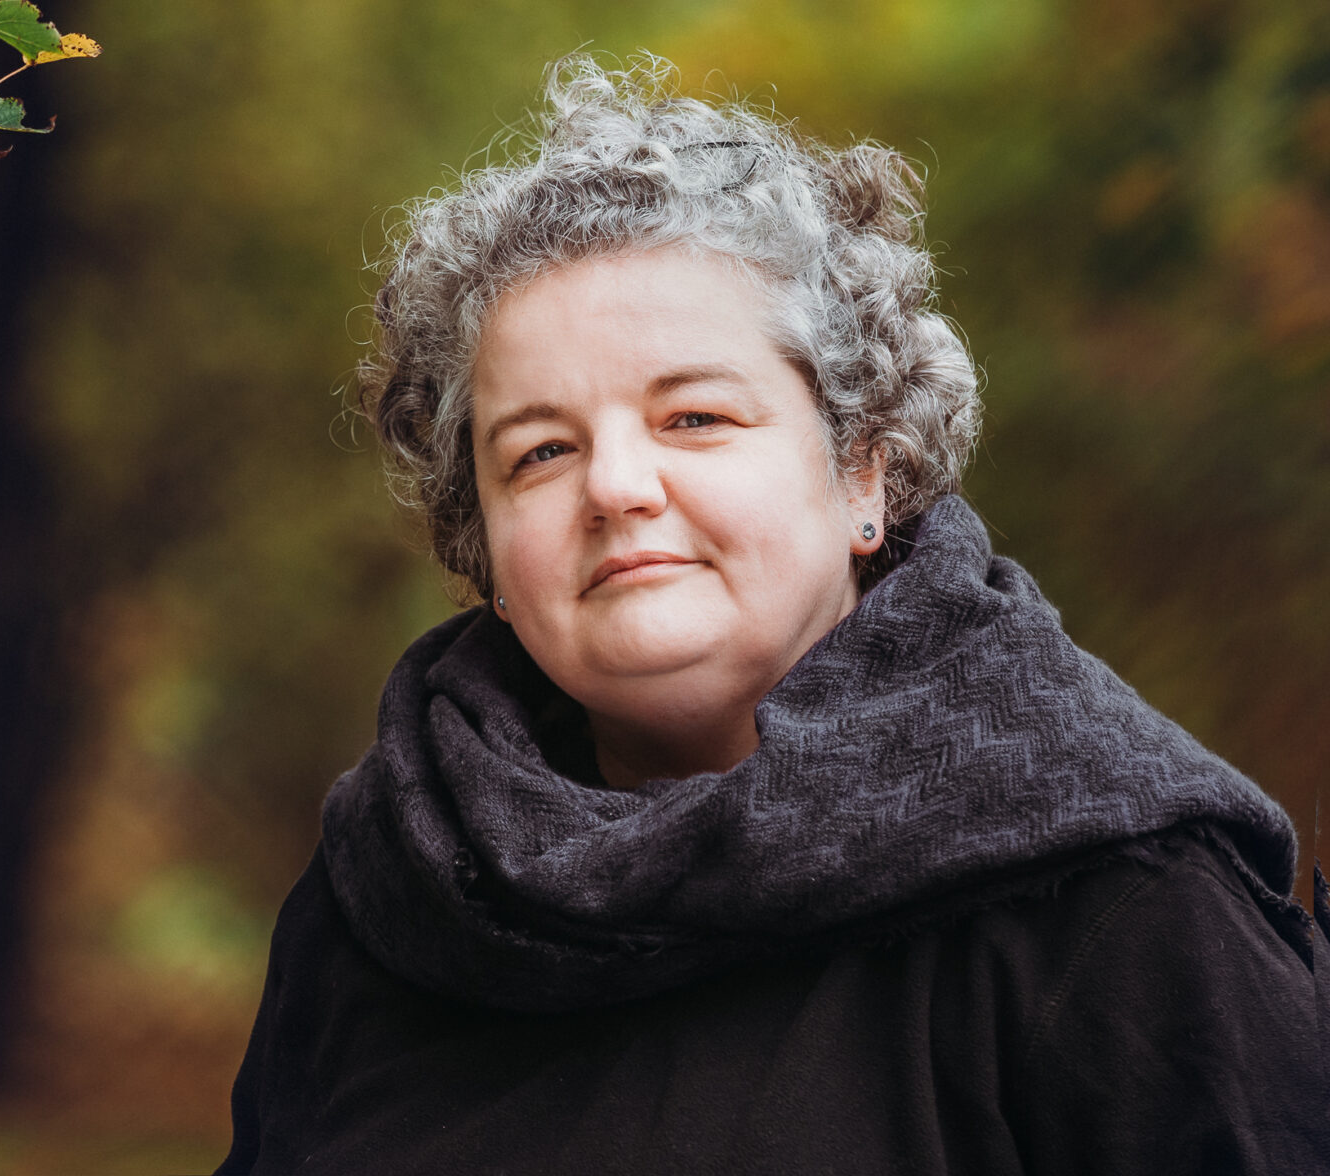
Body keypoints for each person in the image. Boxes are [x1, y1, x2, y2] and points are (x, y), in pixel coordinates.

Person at [218, 57, 1329, 1175]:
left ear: (862, 472)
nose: (615, 486)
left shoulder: (1121, 905)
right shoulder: (391, 892)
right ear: (486, 549)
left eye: (694, 417)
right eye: (541, 451)